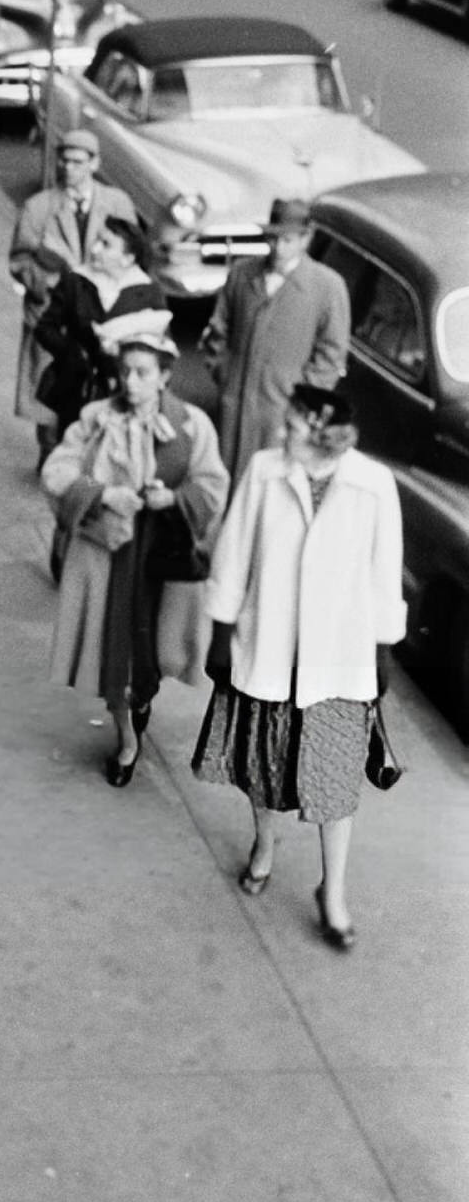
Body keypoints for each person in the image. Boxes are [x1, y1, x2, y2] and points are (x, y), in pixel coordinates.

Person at [192, 385, 405, 948]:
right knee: (264, 766)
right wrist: (220, 631)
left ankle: (332, 893)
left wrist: (383, 650)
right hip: (270, 646)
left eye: (292, 422)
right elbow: (233, 553)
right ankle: (264, 844)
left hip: (340, 660)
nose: (281, 430)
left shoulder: (373, 485)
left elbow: (386, 575)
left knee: (335, 781)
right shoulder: (264, 471)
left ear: (319, 427)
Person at [43, 314, 229, 787]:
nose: (131, 381)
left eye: (143, 372)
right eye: (125, 371)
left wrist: (174, 499)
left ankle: (141, 697)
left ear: (165, 375)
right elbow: (56, 471)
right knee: (114, 652)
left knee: (160, 649)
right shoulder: (95, 419)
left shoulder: (191, 425)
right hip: (108, 554)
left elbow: (212, 486)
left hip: (161, 556)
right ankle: (127, 739)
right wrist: (103, 494)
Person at [200, 197, 350, 486]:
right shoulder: (243, 274)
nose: (278, 247)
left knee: (271, 483)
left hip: (281, 413)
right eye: (271, 239)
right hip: (234, 402)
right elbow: (218, 329)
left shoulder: (327, 287)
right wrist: (224, 373)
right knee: (222, 477)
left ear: (307, 239)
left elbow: (331, 354)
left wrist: (301, 400)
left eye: (288, 240)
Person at [9, 128, 137, 461]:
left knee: (98, 393)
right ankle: (50, 455)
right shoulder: (39, 208)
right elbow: (19, 260)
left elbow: (134, 254)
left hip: (100, 319)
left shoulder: (117, 203)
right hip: (53, 318)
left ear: (95, 164)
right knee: (50, 396)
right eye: (64, 161)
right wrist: (49, 282)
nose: (69, 169)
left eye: (79, 162)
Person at [32, 214, 166, 437]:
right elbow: (45, 328)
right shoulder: (76, 282)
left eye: (105, 245)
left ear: (128, 258)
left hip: (121, 391)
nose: (94, 249)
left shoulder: (147, 292)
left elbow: (161, 345)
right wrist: (72, 353)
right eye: (97, 241)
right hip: (75, 388)